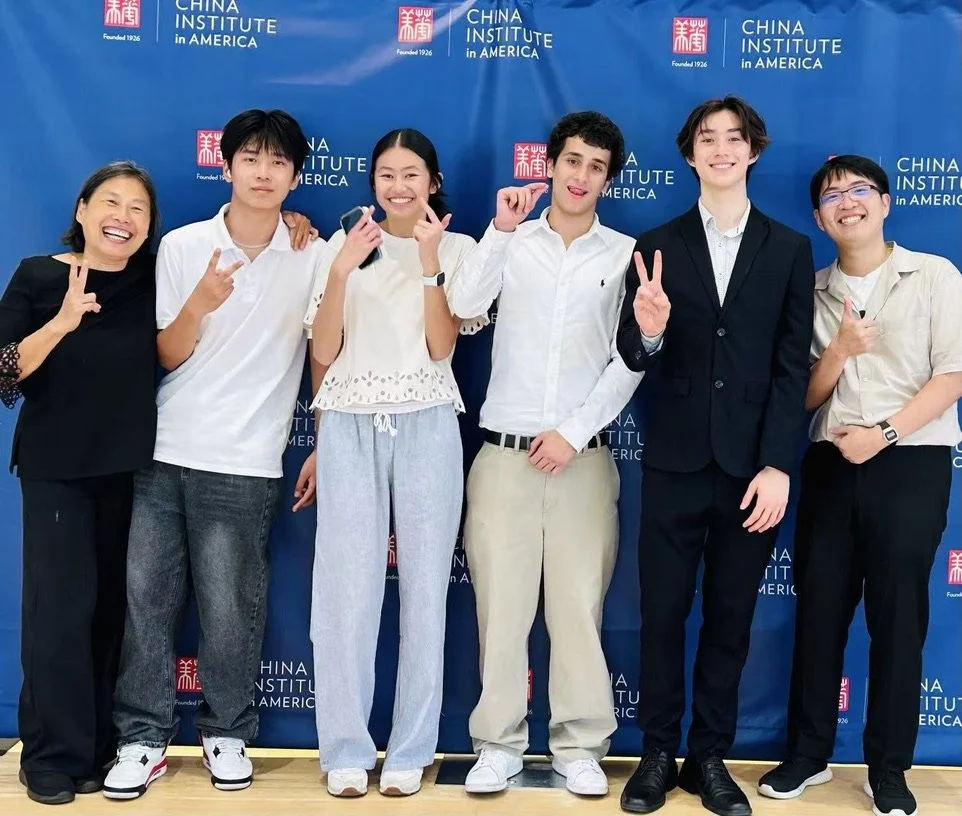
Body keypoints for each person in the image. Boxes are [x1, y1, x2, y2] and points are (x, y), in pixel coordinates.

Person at [102, 109, 323, 800]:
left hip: (247, 460)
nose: (263, 172)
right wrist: (199, 302)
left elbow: (328, 349)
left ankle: (227, 730)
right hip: (164, 451)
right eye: (250, 158)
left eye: (278, 161)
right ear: (224, 165)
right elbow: (166, 354)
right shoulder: (182, 246)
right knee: (146, 600)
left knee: (231, 609)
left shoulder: (312, 251)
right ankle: (142, 740)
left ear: (294, 175)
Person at [616, 96, 815, 816]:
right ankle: (657, 752)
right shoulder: (656, 241)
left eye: (735, 139)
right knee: (662, 615)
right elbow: (632, 353)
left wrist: (777, 464)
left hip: (750, 472)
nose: (722, 149)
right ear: (690, 153)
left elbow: (793, 369)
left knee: (730, 617)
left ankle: (709, 756)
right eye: (708, 139)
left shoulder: (790, 249)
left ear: (753, 151)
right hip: (672, 462)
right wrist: (651, 330)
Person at [757, 155, 962, 816]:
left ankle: (889, 766)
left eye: (859, 191)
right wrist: (839, 351)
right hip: (829, 467)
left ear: (885, 202)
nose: (847, 202)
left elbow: (953, 376)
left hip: (911, 464)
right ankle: (809, 753)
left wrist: (888, 433)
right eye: (832, 196)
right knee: (819, 611)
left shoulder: (933, 276)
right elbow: (802, 397)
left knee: (898, 619)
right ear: (818, 217)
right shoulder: (810, 289)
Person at [447, 111, 642, 798]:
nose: (581, 175)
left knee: (577, 607)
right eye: (572, 161)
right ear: (550, 165)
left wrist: (575, 429)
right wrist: (499, 231)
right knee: (500, 608)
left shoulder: (625, 254)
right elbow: (462, 303)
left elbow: (632, 358)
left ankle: (579, 744)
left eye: (596, 166)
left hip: (583, 458)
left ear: (608, 179)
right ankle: (497, 743)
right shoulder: (512, 239)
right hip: (503, 455)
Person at [306, 128, 485, 799]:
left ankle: (411, 748)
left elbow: (442, 346)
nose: (399, 186)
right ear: (372, 181)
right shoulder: (344, 240)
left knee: (424, 593)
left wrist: (432, 262)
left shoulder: (457, 248)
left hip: (428, 422)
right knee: (346, 593)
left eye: (412, 174)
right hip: (349, 422)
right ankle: (346, 748)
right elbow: (322, 349)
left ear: (433, 182)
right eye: (387, 174)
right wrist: (339, 269)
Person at [0, 161, 160, 805]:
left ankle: (92, 748)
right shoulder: (40, 275)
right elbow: (4, 372)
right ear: (83, 209)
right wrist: (62, 321)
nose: (122, 218)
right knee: (58, 615)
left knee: (107, 616)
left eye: (137, 209)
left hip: (129, 472)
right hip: (57, 470)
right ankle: (48, 756)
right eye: (111, 203)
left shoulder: (153, 279)